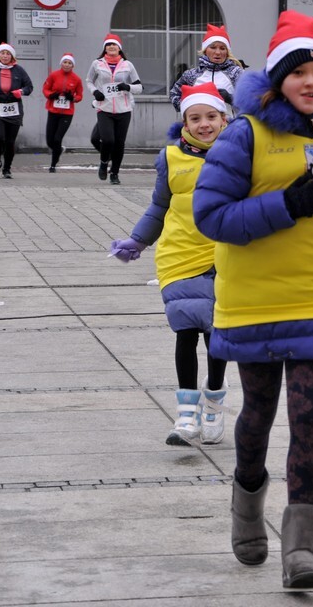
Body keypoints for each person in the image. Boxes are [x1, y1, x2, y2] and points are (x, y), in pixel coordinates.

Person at [192, 10, 313, 591]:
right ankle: (247, 506)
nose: (312, 82)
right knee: (257, 417)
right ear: (275, 83)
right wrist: (286, 206)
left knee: (308, 419)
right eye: (300, 73)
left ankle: (300, 548)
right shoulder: (246, 134)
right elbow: (210, 215)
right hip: (254, 302)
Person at [110, 82, 230, 446]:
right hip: (179, 255)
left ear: (225, 119)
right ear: (185, 123)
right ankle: (186, 417)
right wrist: (138, 240)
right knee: (186, 331)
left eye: (211, 116)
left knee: (217, 336)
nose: (203, 124)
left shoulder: (241, 154)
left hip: (225, 256)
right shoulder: (170, 157)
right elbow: (159, 206)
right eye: (195, 118)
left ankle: (213, 405)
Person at [86, 33, 143, 185]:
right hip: (104, 108)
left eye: (114, 45)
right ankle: (104, 163)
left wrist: (127, 86)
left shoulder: (127, 65)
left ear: (119, 48)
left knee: (119, 143)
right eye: (108, 45)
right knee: (108, 139)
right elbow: (89, 81)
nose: (111, 47)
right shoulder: (97, 64)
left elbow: (139, 87)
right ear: (105, 48)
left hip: (123, 109)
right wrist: (95, 92)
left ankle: (115, 173)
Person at [0, 43, 33, 179]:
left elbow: (29, 86)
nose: (5, 56)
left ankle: (7, 168)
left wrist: (21, 91)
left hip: (14, 108)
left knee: (10, 142)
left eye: (8, 54)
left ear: (12, 56)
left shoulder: (19, 70)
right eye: (2, 53)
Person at [169, 24, 245, 116]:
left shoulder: (236, 73)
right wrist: (188, 108)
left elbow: (252, 102)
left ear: (227, 52)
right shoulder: (191, 75)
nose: (217, 52)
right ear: (205, 50)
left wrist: (231, 99)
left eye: (222, 48)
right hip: (199, 129)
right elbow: (174, 93)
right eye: (213, 47)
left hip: (229, 128)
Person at [41, 53, 84, 173]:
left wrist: (73, 98)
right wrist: (51, 95)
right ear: (61, 63)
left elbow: (80, 95)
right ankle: (58, 150)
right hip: (53, 111)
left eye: (69, 63)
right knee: (50, 140)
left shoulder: (77, 79)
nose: (67, 64)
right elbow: (45, 88)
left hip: (67, 113)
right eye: (65, 62)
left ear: (73, 65)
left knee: (57, 138)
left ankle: (53, 165)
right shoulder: (54, 75)